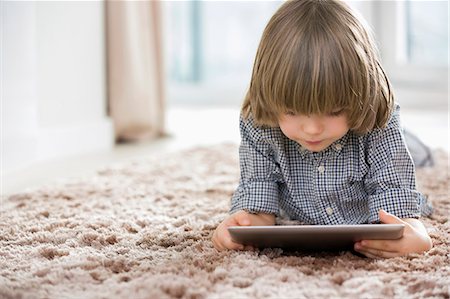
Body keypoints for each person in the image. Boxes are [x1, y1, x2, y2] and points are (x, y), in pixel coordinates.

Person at [212, 0, 433, 258]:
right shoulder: (260, 122)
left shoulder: (377, 117)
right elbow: (258, 200)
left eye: (334, 111)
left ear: (361, 93)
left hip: (378, 147)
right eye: (292, 111)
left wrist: (416, 235)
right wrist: (241, 227)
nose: (312, 129)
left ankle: (413, 143)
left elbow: (396, 200)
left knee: (417, 155)